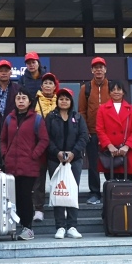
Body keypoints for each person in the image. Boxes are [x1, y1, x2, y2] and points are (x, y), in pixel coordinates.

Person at [0, 90, 49, 241]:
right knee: (14, 198)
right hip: (11, 166)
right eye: (18, 98)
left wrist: (34, 154)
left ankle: (28, 228)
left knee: (25, 196)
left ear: (29, 101)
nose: (21, 101)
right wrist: (5, 154)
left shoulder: (37, 119)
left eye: (24, 98)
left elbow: (44, 140)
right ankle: (15, 226)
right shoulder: (9, 118)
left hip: (29, 166)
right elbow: (3, 139)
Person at [77, 57, 122, 204]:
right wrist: (85, 131)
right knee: (94, 164)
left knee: (112, 162)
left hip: (110, 134)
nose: (98, 70)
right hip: (92, 132)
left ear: (105, 69)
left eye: (101, 67)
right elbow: (82, 111)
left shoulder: (112, 86)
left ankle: (112, 189)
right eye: (95, 67)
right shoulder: (85, 88)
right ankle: (95, 192)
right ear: (92, 70)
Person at [45, 85, 88, 239]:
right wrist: (56, 152)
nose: (64, 101)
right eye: (61, 99)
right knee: (59, 191)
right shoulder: (51, 117)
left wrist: (73, 152)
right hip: (55, 160)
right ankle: (60, 227)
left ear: (71, 102)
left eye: (67, 99)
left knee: (72, 191)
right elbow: (46, 138)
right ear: (57, 101)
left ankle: (72, 226)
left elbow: (84, 136)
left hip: (74, 160)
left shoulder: (78, 117)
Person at [95, 81, 132, 182]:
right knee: (111, 183)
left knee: (127, 183)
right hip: (109, 152)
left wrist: (127, 146)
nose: (116, 92)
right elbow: (100, 130)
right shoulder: (102, 109)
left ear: (123, 92)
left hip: (126, 152)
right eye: (113, 90)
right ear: (109, 92)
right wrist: (109, 146)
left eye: (119, 89)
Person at [30, 73, 60, 223]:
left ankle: (60, 208)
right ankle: (38, 209)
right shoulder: (34, 101)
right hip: (39, 146)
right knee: (38, 180)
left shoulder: (61, 101)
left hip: (56, 146)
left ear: (55, 87)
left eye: (51, 83)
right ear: (41, 86)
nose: (48, 85)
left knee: (58, 179)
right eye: (45, 83)